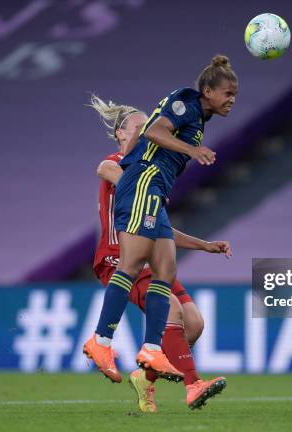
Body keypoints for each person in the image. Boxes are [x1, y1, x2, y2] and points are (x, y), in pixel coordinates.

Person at [82, 55, 238, 391]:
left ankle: (152, 350)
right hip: (144, 182)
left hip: (157, 189)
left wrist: (204, 245)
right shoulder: (186, 101)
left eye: (235, 94)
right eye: (227, 93)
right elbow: (154, 132)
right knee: (133, 263)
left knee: (164, 271)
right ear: (207, 90)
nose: (232, 100)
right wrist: (192, 151)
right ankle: (100, 341)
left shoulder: (199, 118)